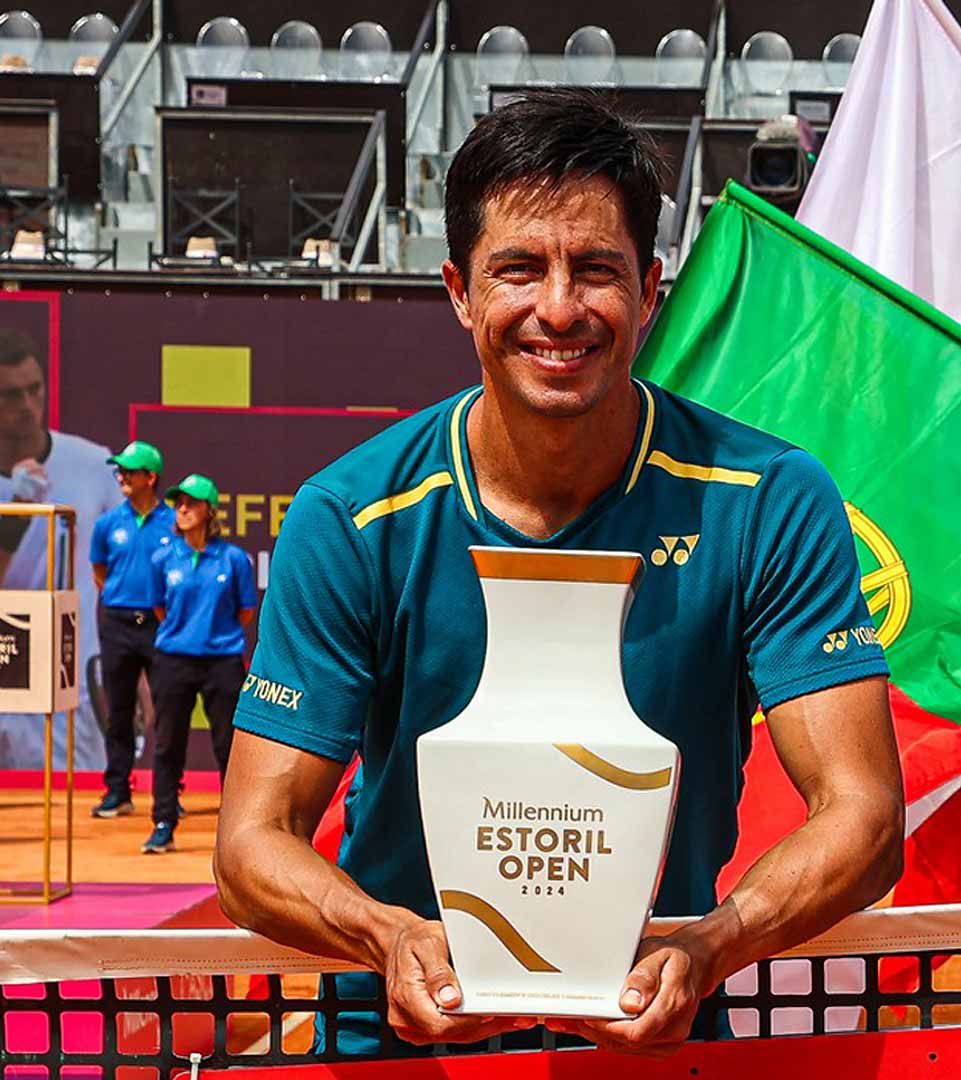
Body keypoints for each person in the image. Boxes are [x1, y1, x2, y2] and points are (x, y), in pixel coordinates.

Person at [212, 88, 905, 1056]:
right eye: (519, 269)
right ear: (459, 291)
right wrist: (391, 938)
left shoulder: (769, 500)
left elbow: (866, 815)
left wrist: (711, 946)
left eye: (596, 270)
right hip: (400, 1041)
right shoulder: (352, 517)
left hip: (658, 1032)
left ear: (652, 288)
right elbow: (250, 843)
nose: (559, 308)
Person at [0, 328, 122, 775]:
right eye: (10, 395)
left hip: (70, 690)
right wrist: (18, 509)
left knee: (84, 826)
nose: (27, 406)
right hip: (4, 671)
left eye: (34, 390)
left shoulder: (94, 465)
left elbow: (127, 574)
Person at [141, 473, 255, 854]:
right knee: (168, 744)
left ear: (209, 510)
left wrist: (213, 637)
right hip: (173, 660)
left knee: (228, 746)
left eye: (191, 503)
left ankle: (235, 831)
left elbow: (245, 610)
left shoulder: (234, 559)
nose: (183, 509)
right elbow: (160, 608)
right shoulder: (162, 558)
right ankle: (163, 822)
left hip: (222, 662)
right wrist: (186, 635)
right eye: (178, 503)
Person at [88, 440, 176, 819]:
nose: (121, 476)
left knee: (170, 712)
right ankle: (118, 790)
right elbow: (100, 573)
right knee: (119, 710)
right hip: (118, 625)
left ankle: (169, 794)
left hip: (161, 625)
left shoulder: (175, 522)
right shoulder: (108, 523)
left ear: (150, 477)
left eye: (129, 470)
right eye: (119, 470)